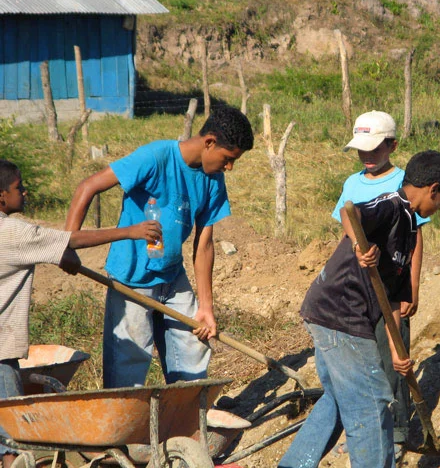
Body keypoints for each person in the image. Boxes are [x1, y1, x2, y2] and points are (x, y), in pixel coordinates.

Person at [279, 150, 440, 468]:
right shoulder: (392, 205)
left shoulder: (409, 231)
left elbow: (391, 298)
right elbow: (351, 215)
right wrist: (360, 246)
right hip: (339, 313)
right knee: (374, 398)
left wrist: (396, 351)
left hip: (335, 314)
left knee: (339, 400)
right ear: (433, 189)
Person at [64, 104, 254, 389]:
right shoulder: (155, 157)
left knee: (194, 348)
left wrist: (206, 306)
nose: (229, 167)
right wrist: (67, 245)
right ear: (210, 142)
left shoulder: (213, 179)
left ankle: (184, 425)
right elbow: (88, 187)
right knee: (129, 364)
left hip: (173, 277)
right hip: (133, 279)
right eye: (228, 159)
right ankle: (127, 431)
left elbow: (204, 244)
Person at [0, 159, 161, 468]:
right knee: (12, 446)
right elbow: (71, 239)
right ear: (1, 196)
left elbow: (57, 248)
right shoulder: (12, 232)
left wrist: (62, 255)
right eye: (19, 187)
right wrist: (131, 231)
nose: (25, 190)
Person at [331, 110, 430, 458]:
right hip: (359, 290)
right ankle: (365, 430)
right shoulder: (352, 184)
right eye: (362, 150)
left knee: (394, 362)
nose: (367, 156)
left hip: (393, 288)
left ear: (393, 145)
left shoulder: (407, 182)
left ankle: (399, 434)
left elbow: (414, 239)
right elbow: (347, 221)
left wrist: (412, 289)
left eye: (374, 149)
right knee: (361, 364)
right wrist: (360, 247)